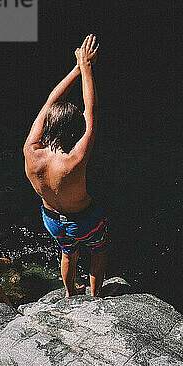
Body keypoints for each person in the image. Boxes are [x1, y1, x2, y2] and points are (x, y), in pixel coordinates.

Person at [24, 34, 110, 298]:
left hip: (51, 219)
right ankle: (96, 296)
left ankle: (70, 293)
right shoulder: (75, 159)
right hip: (85, 220)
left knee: (68, 252)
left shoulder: (31, 150)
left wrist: (76, 67)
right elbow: (91, 110)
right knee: (98, 250)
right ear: (75, 131)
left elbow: (50, 103)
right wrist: (86, 67)